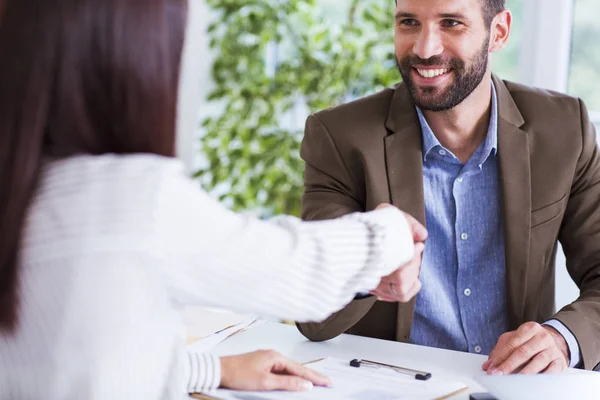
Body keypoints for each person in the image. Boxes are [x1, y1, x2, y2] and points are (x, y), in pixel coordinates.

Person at [0, 0, 427, 399]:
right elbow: (298, 274)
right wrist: (389, 231)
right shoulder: (127, 198)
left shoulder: (24, 187)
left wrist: (211, 371)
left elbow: (78, 359)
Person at [297, 0, 600, 375]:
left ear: (499, 32)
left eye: (451, 23)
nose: (425, 49)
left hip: (516, 387)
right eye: (409, 22)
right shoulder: (340, 138)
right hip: (394, 387)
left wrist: (561, 339)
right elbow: (313, 317)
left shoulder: (564, 129)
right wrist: (365, 259)